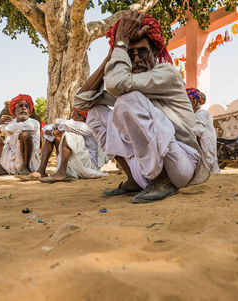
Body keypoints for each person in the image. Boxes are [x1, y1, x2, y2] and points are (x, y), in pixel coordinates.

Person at [74, 11, 211, 203]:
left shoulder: (166, 73)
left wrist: (121, 42)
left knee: (127, 101)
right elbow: (81, 103)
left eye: (143, 52)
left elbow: (116, 84)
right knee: (96, 113)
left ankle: (162, 182)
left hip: (181, 166)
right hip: (145, 171)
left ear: (155, 53)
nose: (136, 59)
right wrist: (113, 53)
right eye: (130, 54)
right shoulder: (128, 82)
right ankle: (133, 180)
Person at [20, 108, 108, 183]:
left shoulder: (86, 126)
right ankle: (41, 171)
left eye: (74, 114)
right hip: (77, 159)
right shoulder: (73, 125)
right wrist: (53, 132)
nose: (71, 117)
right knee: (53, 137)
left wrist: (54, 128)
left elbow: (62, 124)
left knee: (69, 135)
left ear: (81, 117)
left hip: (88, 164)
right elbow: (47, 129)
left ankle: (62, 172)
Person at [0, 94, 40, 175]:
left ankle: (26, 168)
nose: (24, 108)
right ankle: (1, 168)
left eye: (27, 106)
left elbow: (22, 127)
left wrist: (1, 129)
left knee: (25, 134)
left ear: (29, 111)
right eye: (20, 106)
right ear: (14, 110)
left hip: (29, 163)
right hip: (9, 162)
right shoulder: (10, 122)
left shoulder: (34, 122)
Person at [186, 88, 220, 174]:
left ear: (193, 103)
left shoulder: (200, 114)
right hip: (209, 162)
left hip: (207, 162)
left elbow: (195, 133)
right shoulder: (202, 114)